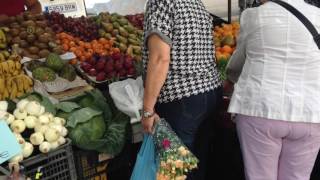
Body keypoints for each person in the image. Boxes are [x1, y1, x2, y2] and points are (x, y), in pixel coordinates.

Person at [224, 0, 320, 180]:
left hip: (260, 107)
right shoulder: (318, 16)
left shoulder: (253, 16)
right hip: (311, 111)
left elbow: (239, 60)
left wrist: (230, 79)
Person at [141, 0, 222, 179]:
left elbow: (160, 58)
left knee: (178, 170)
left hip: (182, 101)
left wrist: (147, 110)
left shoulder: (161, 2)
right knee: (198, 164)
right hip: (210, 92)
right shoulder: (195, 2)